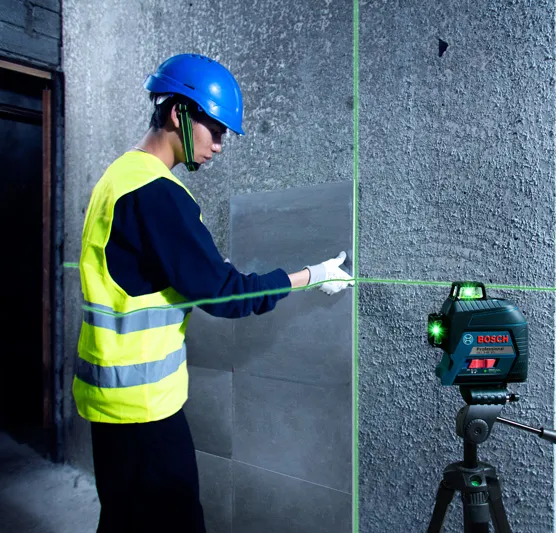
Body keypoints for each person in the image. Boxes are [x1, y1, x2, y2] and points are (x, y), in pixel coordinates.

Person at [73, 53, 353, 533]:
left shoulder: (118, 178)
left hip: (109, 405)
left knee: (122, 520)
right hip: (144, 412)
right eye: (217, 129)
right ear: (179, 113)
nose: (220, 145)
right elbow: (227, 296)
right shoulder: (157, 193)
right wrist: (314, 274)